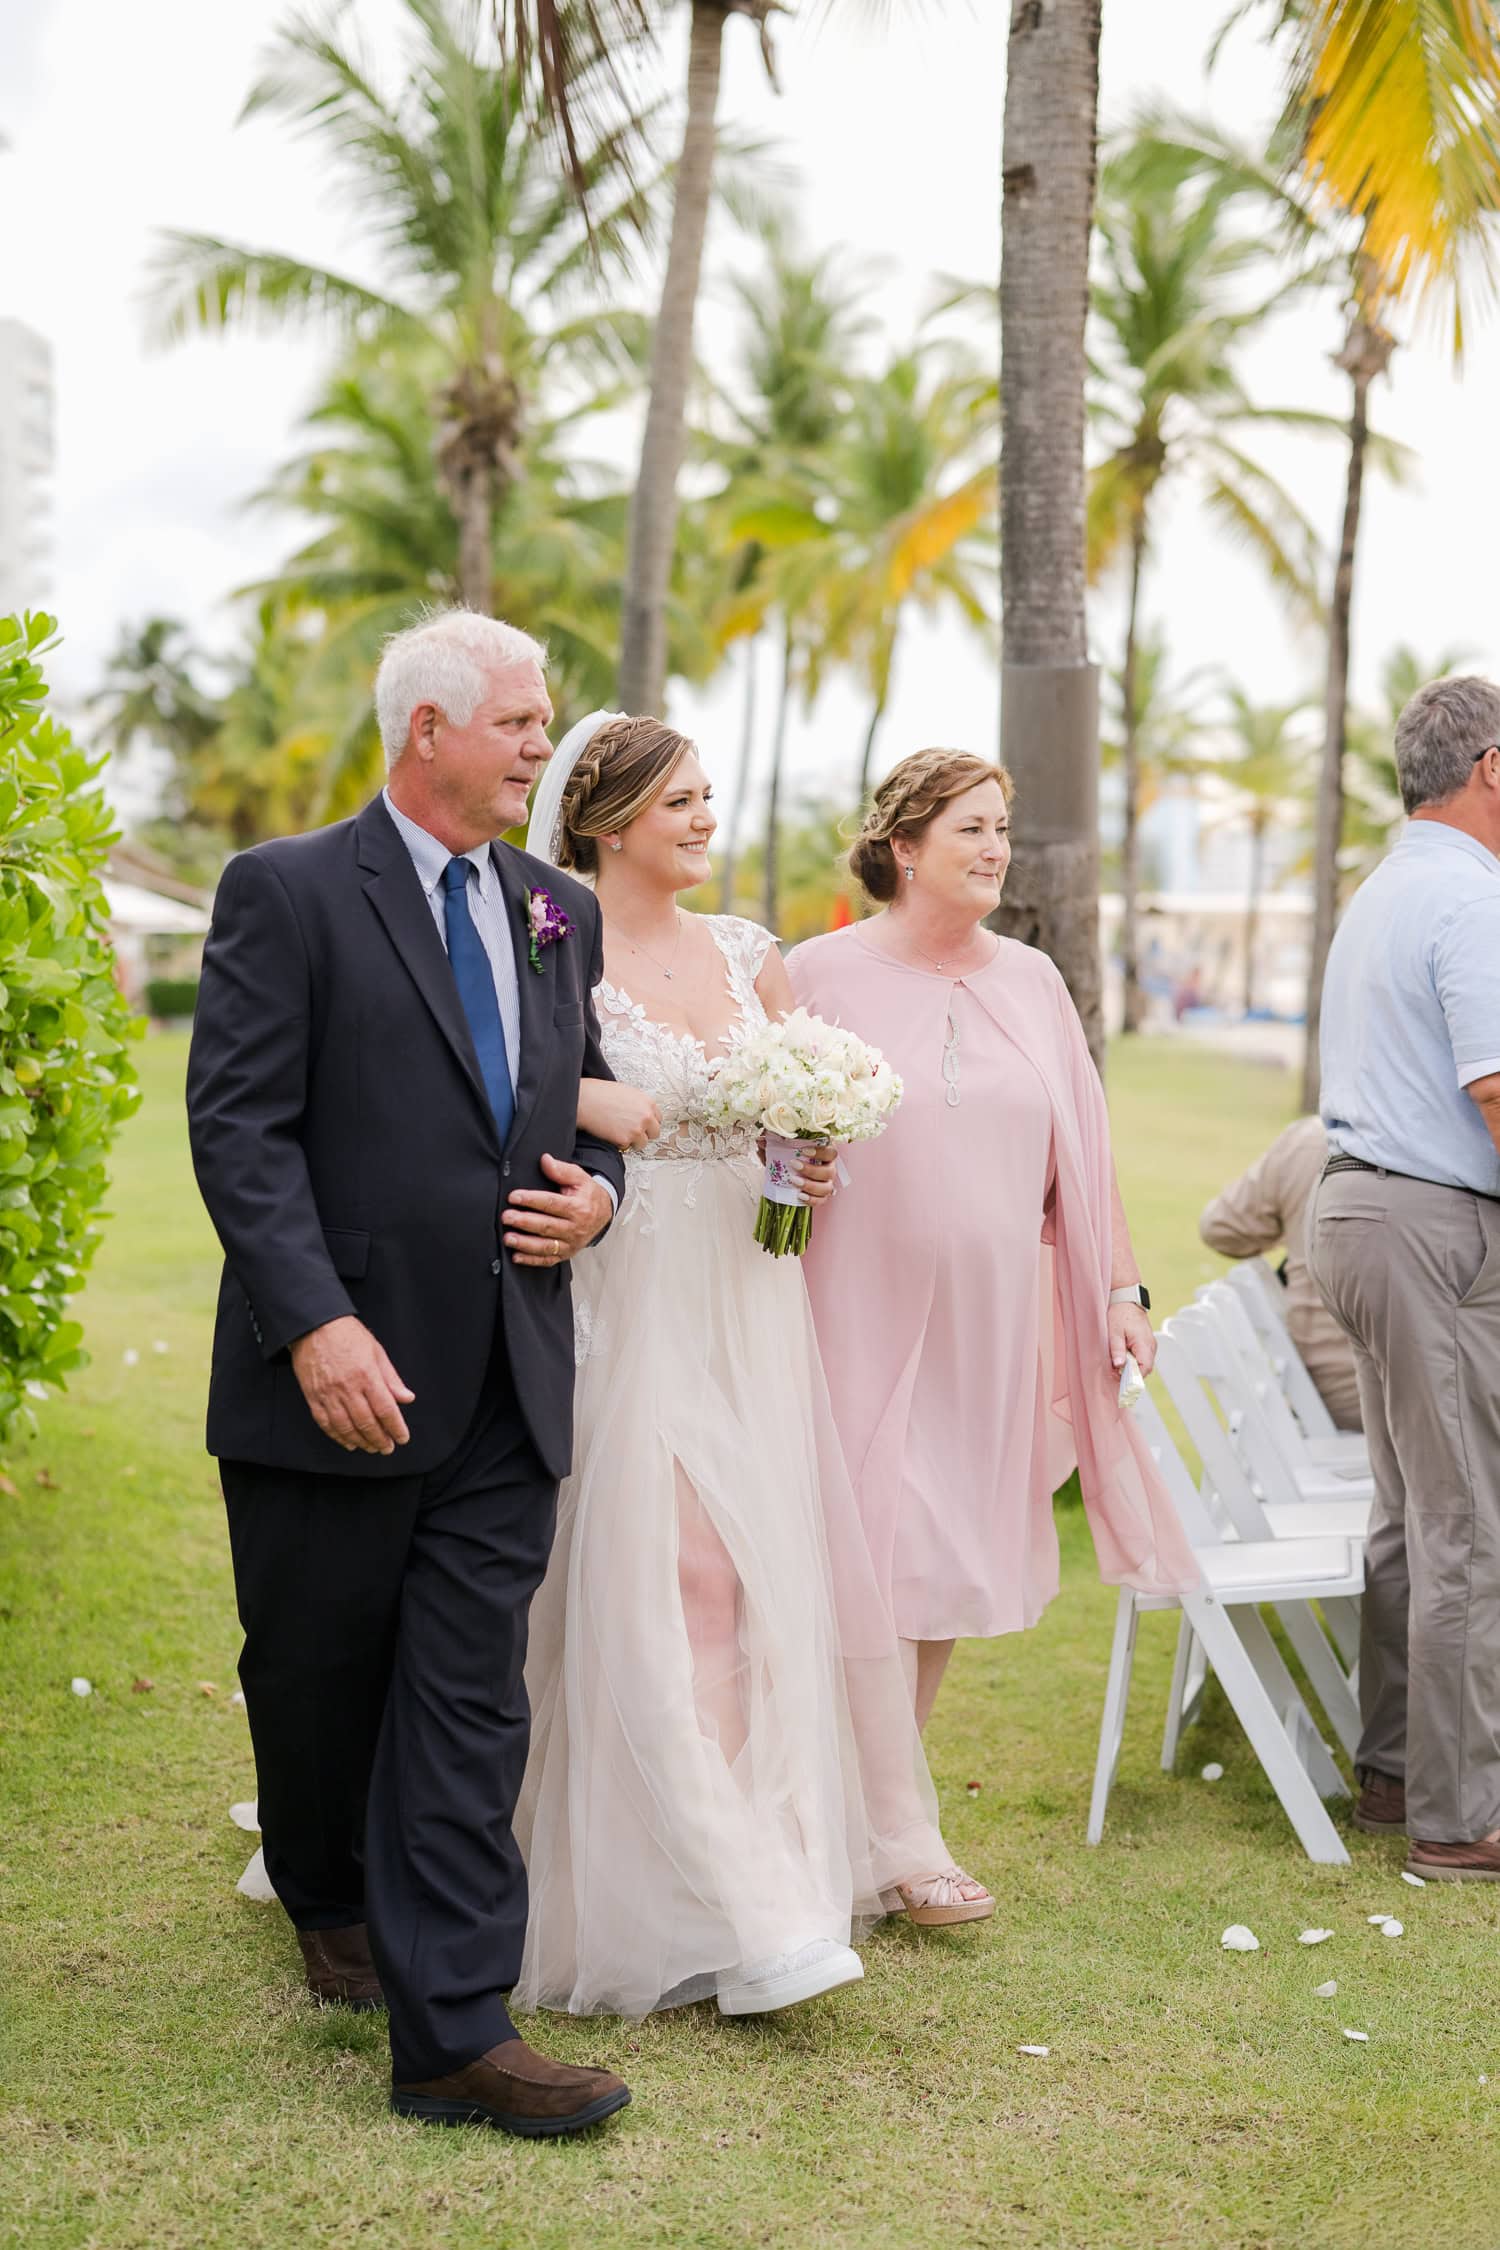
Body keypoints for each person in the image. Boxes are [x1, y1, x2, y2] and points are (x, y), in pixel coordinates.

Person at [186, 610, 633, 2138]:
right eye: (518, 720)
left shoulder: (557, 905)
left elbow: (553, 1118)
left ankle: (457, 2031)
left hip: (510, 1372)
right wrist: (314, 1322)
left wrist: (597, 1199)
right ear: (426, 728)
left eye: (543, 720)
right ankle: (323, 1886)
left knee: (468, 1702)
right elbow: (240, 1129)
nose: (539, 745)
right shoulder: (289, 891)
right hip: (340, 1380)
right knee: (314, 1677)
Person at [512, 713, 992, 2026]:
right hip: (625, 1286)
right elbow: (504, 1090)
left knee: (743, 1569)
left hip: (749, 1287)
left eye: (709, 796)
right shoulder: (555, 946)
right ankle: (733, 1897)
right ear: (605, 821)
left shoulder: (750, 955)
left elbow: (793, 1125)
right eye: (680, 800)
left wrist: (809, 1156)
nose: (705, 819)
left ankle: (739, 1868)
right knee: (667, 1567)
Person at [787, 749, 1198, 1739]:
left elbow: (1086, 1164)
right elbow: (765, 1144)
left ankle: (889, 1801)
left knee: (941, 1564)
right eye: (970, 828)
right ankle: (873, 1810)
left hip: (990, 1333)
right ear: (905, 847)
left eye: (1001, 829)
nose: (995, 849)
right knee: (870, 1554)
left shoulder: (1036, 982)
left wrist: (1121, 1295)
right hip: (853, 1317)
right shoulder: (816, 974)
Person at [1308, 675, 1500, 1882]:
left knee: (1407, 1517)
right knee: (1466, 1525)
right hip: (1429, 1223)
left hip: (1364, 1210)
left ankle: (1393, 1772)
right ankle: (1460, 1818)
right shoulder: (1470, 900)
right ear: (1494, 769)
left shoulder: (1389, 885)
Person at [1199, 1117, 1362, 1431]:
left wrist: (1297, 1230)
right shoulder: (1442, 1145)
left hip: (1313, 1391)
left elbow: (1221, 1227)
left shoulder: (1311, 1138)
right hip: (1383, 1396)